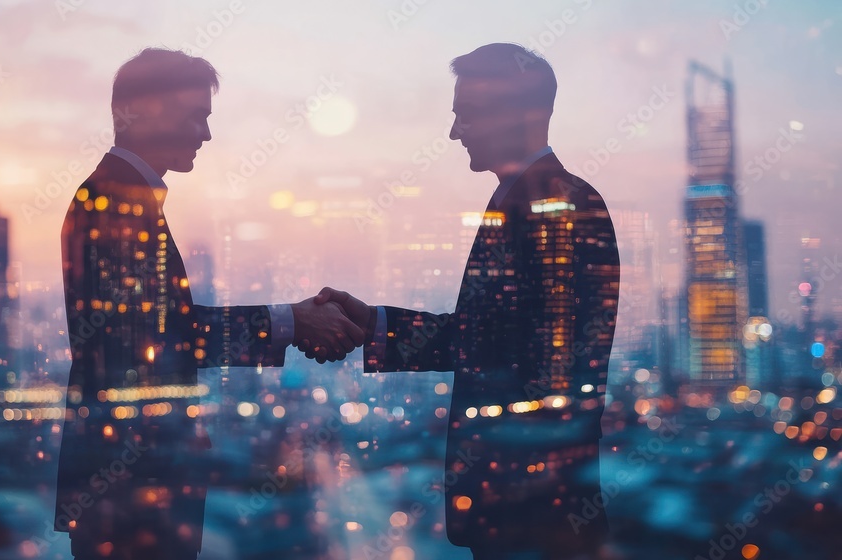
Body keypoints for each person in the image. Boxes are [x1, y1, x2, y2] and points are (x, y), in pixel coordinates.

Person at [314, 43, 621, 560]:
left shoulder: (555, 205)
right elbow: (492, 339)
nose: (455, 133)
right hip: (526, 509)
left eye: (467, 115)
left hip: (534, 514)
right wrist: (373, 324)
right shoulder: (527, 199)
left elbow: (537, 366)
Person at [55, 48, 364, 559]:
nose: (206, 133)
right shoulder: (115, 202)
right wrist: (291, 320)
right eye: (195, 115)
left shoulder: (120, 197)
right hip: (132, 495)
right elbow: (159, 337)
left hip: (129, 487)